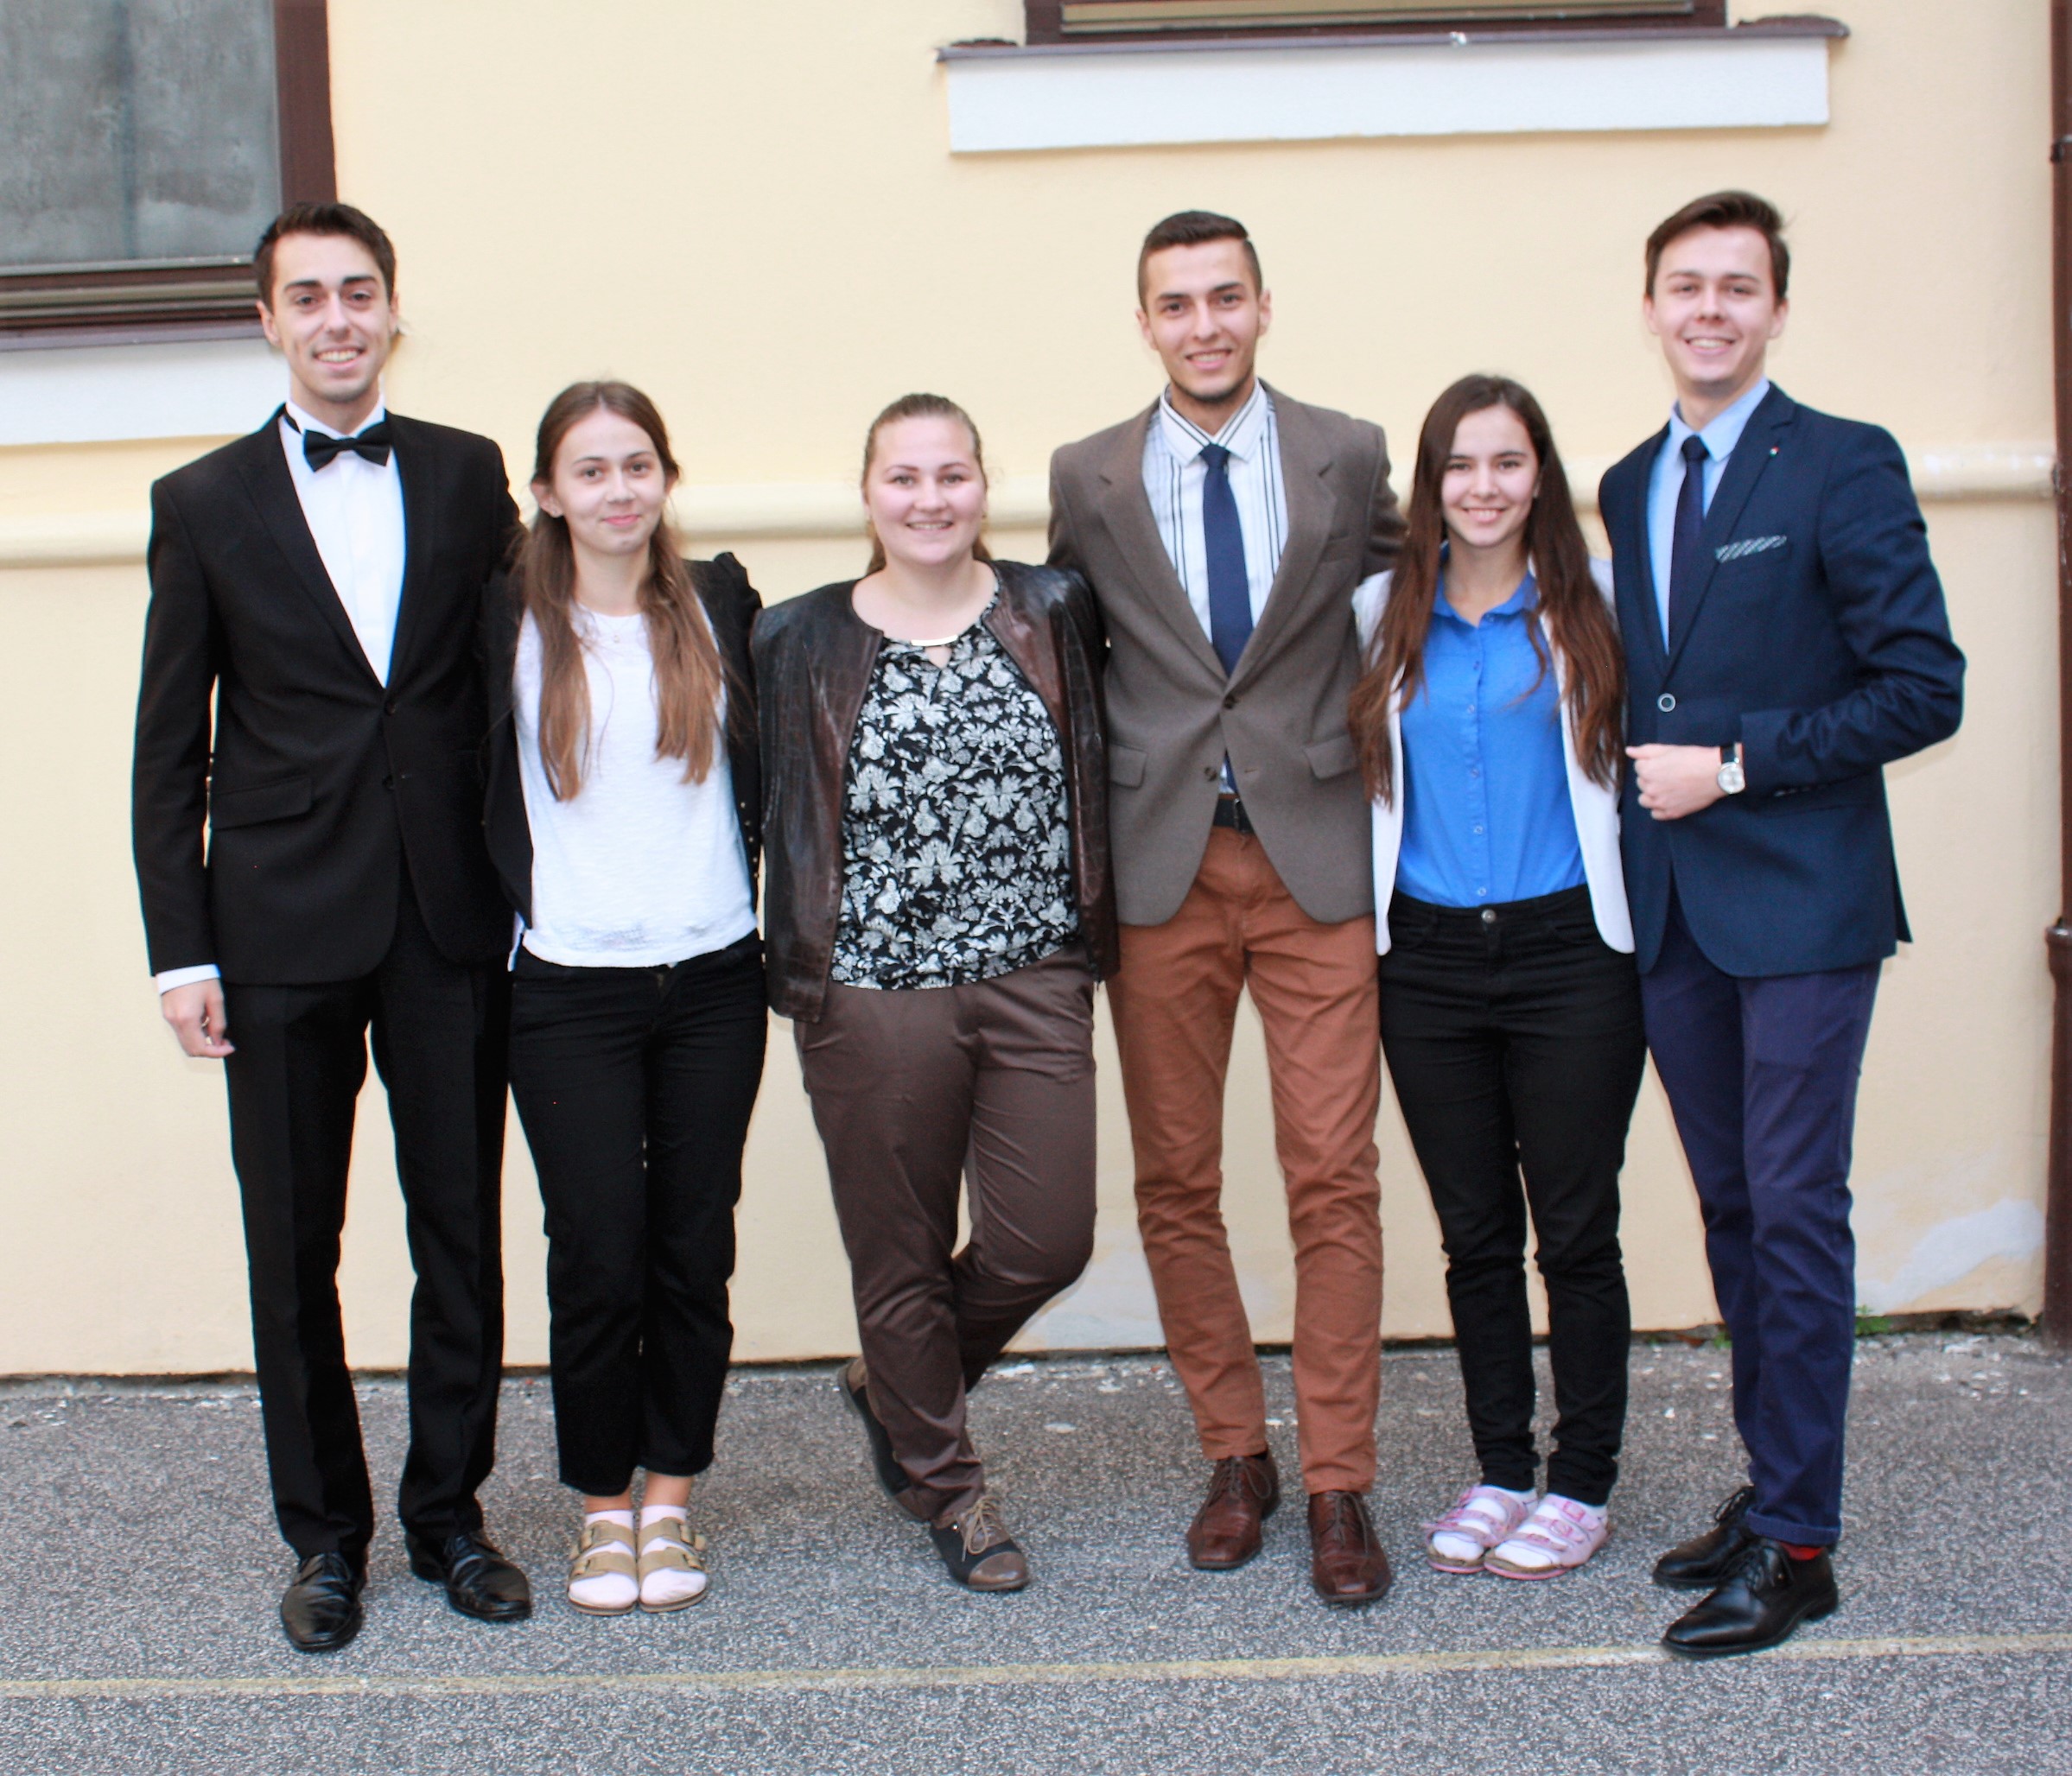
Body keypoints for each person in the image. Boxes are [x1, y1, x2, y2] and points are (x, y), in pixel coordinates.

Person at [131, 202, 528, 1652]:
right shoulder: (202, 501)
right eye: (308, 296)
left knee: (460, 1234)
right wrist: (183, 950)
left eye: (359, 291)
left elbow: (519, 682)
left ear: (392, 310)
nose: (337, 318)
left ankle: (449, 1518)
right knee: (292, 1249)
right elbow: (169, 746)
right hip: (277, 928)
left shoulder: (469, 472)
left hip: (446, 917)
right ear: (269, 322)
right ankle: (324, 1538)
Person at [1600, 192, 1965, 1656]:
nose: (1708, 309)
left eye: (1736, 287)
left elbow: (1922, 687)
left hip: (1804, 905)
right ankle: (1771, 1488)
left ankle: (1801, 1547)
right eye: (1684, 285)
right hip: (1676, 915)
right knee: (1735, 1212)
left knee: (1797, 1210)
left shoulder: (1840, 461)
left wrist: (1738, 764)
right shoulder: (1629, 480)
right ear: (1649, 307)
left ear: (1775, 310)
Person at [1048, 210, 1405, 1606]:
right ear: (1144, 322)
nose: (1202, 325)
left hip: (1316, 858)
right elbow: (1068, 652)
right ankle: (1233, 1455)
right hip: (1162, 869)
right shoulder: (1088, 475)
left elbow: (1411, 601)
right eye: (1175, 303)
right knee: (1176, 1181)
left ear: (1262, 307)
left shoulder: (1346, 453)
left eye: (1223, 298)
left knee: (1333, 1174)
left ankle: (1337, 1480)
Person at [755, 393, 1117, 1593]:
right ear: (868, 495)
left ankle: (895, 1387)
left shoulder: (1052, 609)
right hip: (869, 990)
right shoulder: (797, 637)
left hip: (1035, 973)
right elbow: (760, 805)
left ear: (982, 485)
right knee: (898, 1253)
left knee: (1045, 1238)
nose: (929, 500)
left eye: (950, 475)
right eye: (903, 478)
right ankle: (950, 1491)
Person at [1349, 375, 1644, 1583]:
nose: (1482, 487)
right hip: (1424, 963)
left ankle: (1582, 1483)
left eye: (1507, 462)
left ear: (1539, 476)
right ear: (1431, 483)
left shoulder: (1596, 602)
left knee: (1574, 1232)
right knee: (1474, 1236)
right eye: (1459, 465)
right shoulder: (1380, 610)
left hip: (1570, 954)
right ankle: (1502, 1470)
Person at [483, 383, 765, 1617]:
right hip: (566, 988)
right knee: (599, 1250)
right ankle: (603, 1506)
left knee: (693, 1246)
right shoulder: (503, 623)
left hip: (714, 976)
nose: (617, 490)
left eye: (637, 464)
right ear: (547, 493)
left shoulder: (720, 604)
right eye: (590, 470)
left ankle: (670, 1495)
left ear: (666, 478)